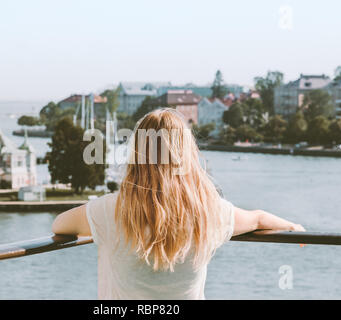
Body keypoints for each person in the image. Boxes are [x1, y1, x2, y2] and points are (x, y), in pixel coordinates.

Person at [52, 108, 305, 299]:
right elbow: (258, 219)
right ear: (186, 153)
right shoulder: (209, 212)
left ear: (138, 153)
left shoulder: (110, 210)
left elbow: (59, 225)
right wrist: (292, 226)